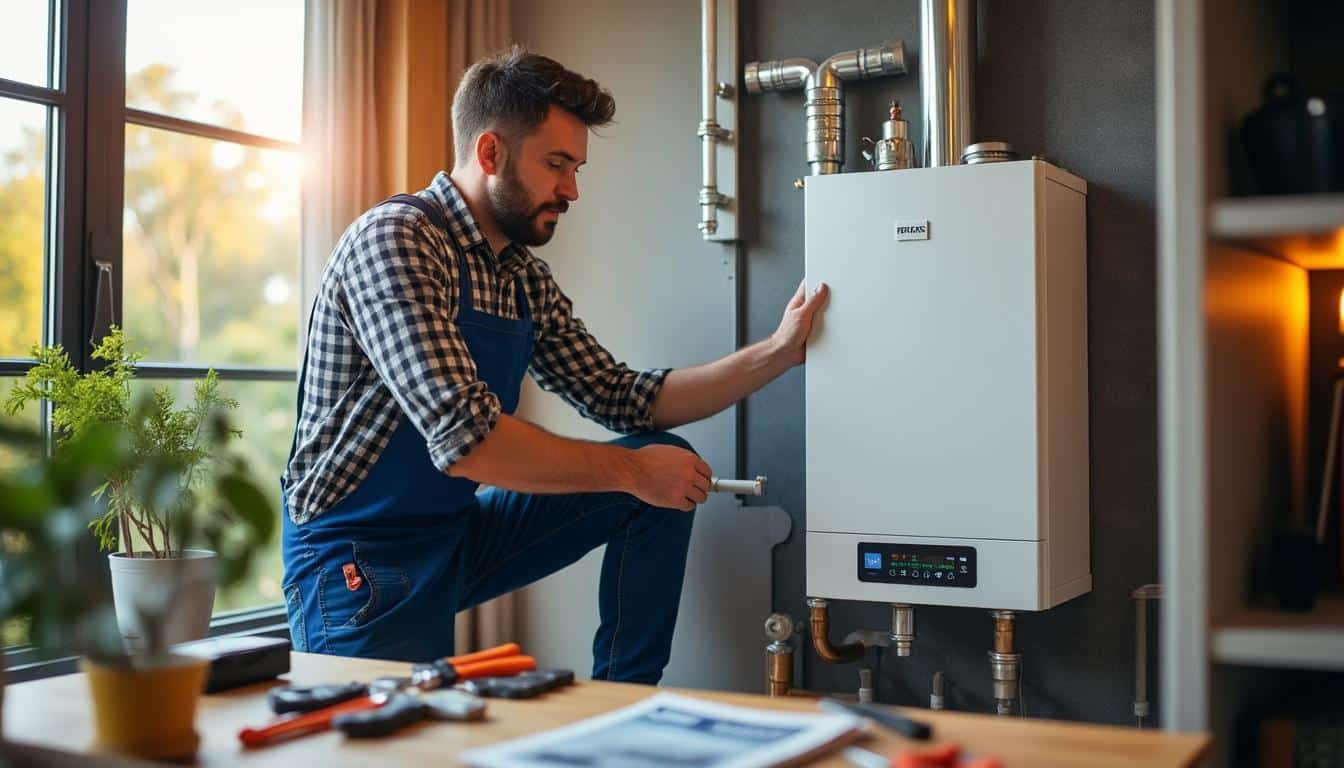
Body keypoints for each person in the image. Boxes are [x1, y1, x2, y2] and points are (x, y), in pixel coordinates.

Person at [280, 46, 828, 684]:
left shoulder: (520, 278)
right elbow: (467, 444)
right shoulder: (397, 242)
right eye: (557, 164)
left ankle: (623, 702)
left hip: (455, 534)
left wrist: (779, 351)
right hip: (356, 556)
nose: (571, 189)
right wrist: (631, 470)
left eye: (576, 168)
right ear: (490, 153)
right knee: (403, 745)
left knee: (665, 466)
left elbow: (623, 397)